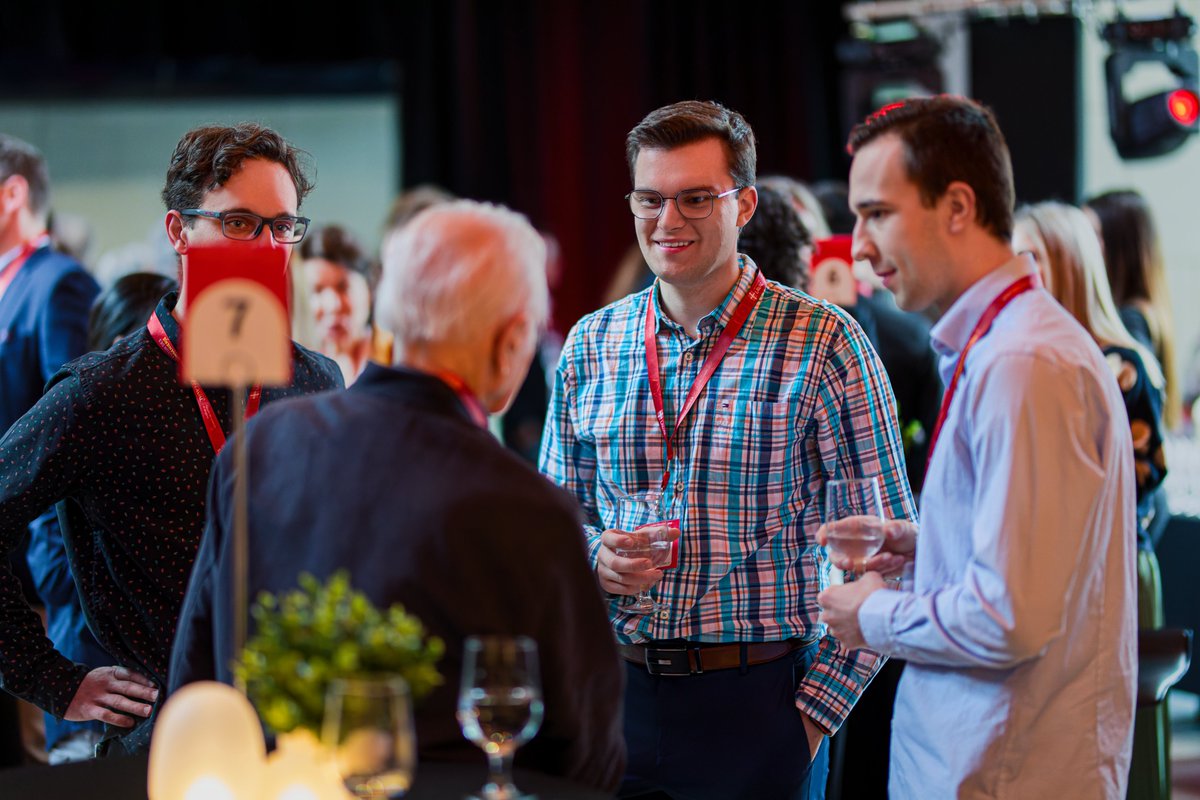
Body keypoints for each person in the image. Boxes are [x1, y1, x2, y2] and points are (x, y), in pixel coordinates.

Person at [169, 201, 625, 792]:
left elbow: (197, 675)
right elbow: (587, 754)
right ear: (512, 340)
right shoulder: (531, 511)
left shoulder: (262, 444)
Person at [540, 100, 914, 800]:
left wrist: (810, 719)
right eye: (649, 199)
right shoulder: (592, 343)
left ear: (742, 205)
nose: (666, 221)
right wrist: (596, 555)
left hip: (761, 703)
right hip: (614, 699)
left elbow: (891, 559)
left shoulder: (826, 344)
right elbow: (554, 523)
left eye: (693, 199)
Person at [819, 96, 1137, 799]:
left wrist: (867, 615)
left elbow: (1008, 617)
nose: (859, 247)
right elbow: (1039, 560)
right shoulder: (1007, 345)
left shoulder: (1022, 362)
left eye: (877, 214)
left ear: (958, 207)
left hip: (1005, 772)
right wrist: (927, 545)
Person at [0, 122, 343, 756]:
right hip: (165, 743)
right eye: (239, 222)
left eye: (283, 226)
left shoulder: (317, 381)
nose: (267, 245)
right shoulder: (103, 393)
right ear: (178, 231)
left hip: (300, 733)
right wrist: (51, 677)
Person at [1013, 200, 1169, 798]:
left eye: (1031, 255)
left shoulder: (1118, 359)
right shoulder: (1030, 351)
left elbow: (1147, 470)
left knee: (1110, 722)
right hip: (1053, 569)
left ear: (1068, 265)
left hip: (1114, 565)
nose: (1017, 268)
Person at [0, 133, 101, 765]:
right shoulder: (11, 285)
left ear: (13, 193)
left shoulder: (58, 284)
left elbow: (71, 433)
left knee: (55, 760)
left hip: (39, 572)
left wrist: (55, 572)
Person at [297, 224, 378, 384]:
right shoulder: (291, 372)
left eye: (343, 287)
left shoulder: (397, 357)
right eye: (317, 290)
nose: (332, 305)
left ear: (369, 291)